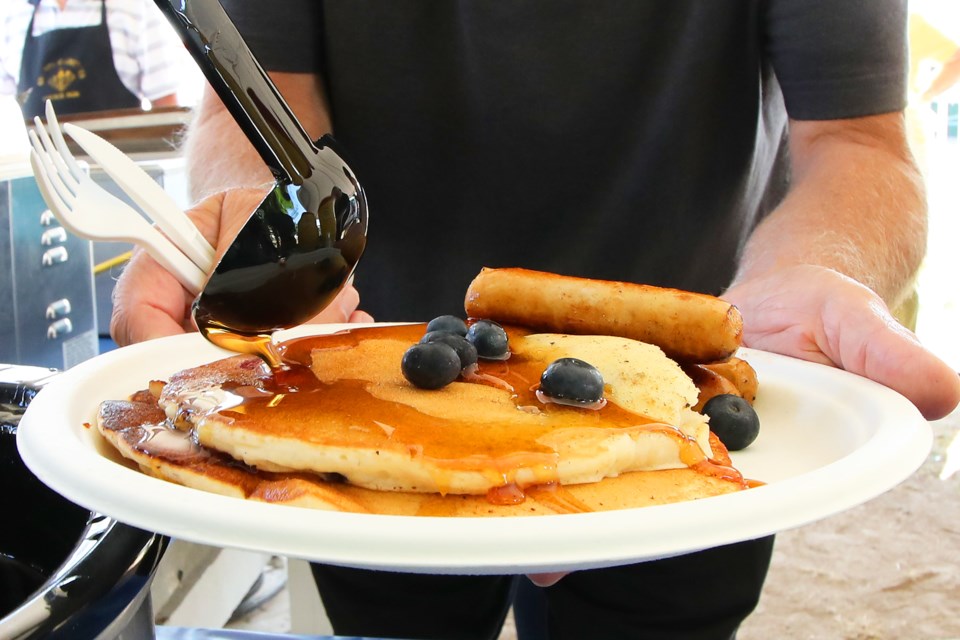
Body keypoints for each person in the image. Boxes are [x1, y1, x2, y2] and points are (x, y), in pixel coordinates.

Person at [110, 1, 960, 639]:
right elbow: (259, 103)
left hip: (692, 411)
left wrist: (815, 269)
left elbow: (856, 137)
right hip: (355, 384)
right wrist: (272, 223)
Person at [0, 0, 182, 119]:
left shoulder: (132, 8)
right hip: (40, 173)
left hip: (116, 172)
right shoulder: (14, 16)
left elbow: (167, 111)